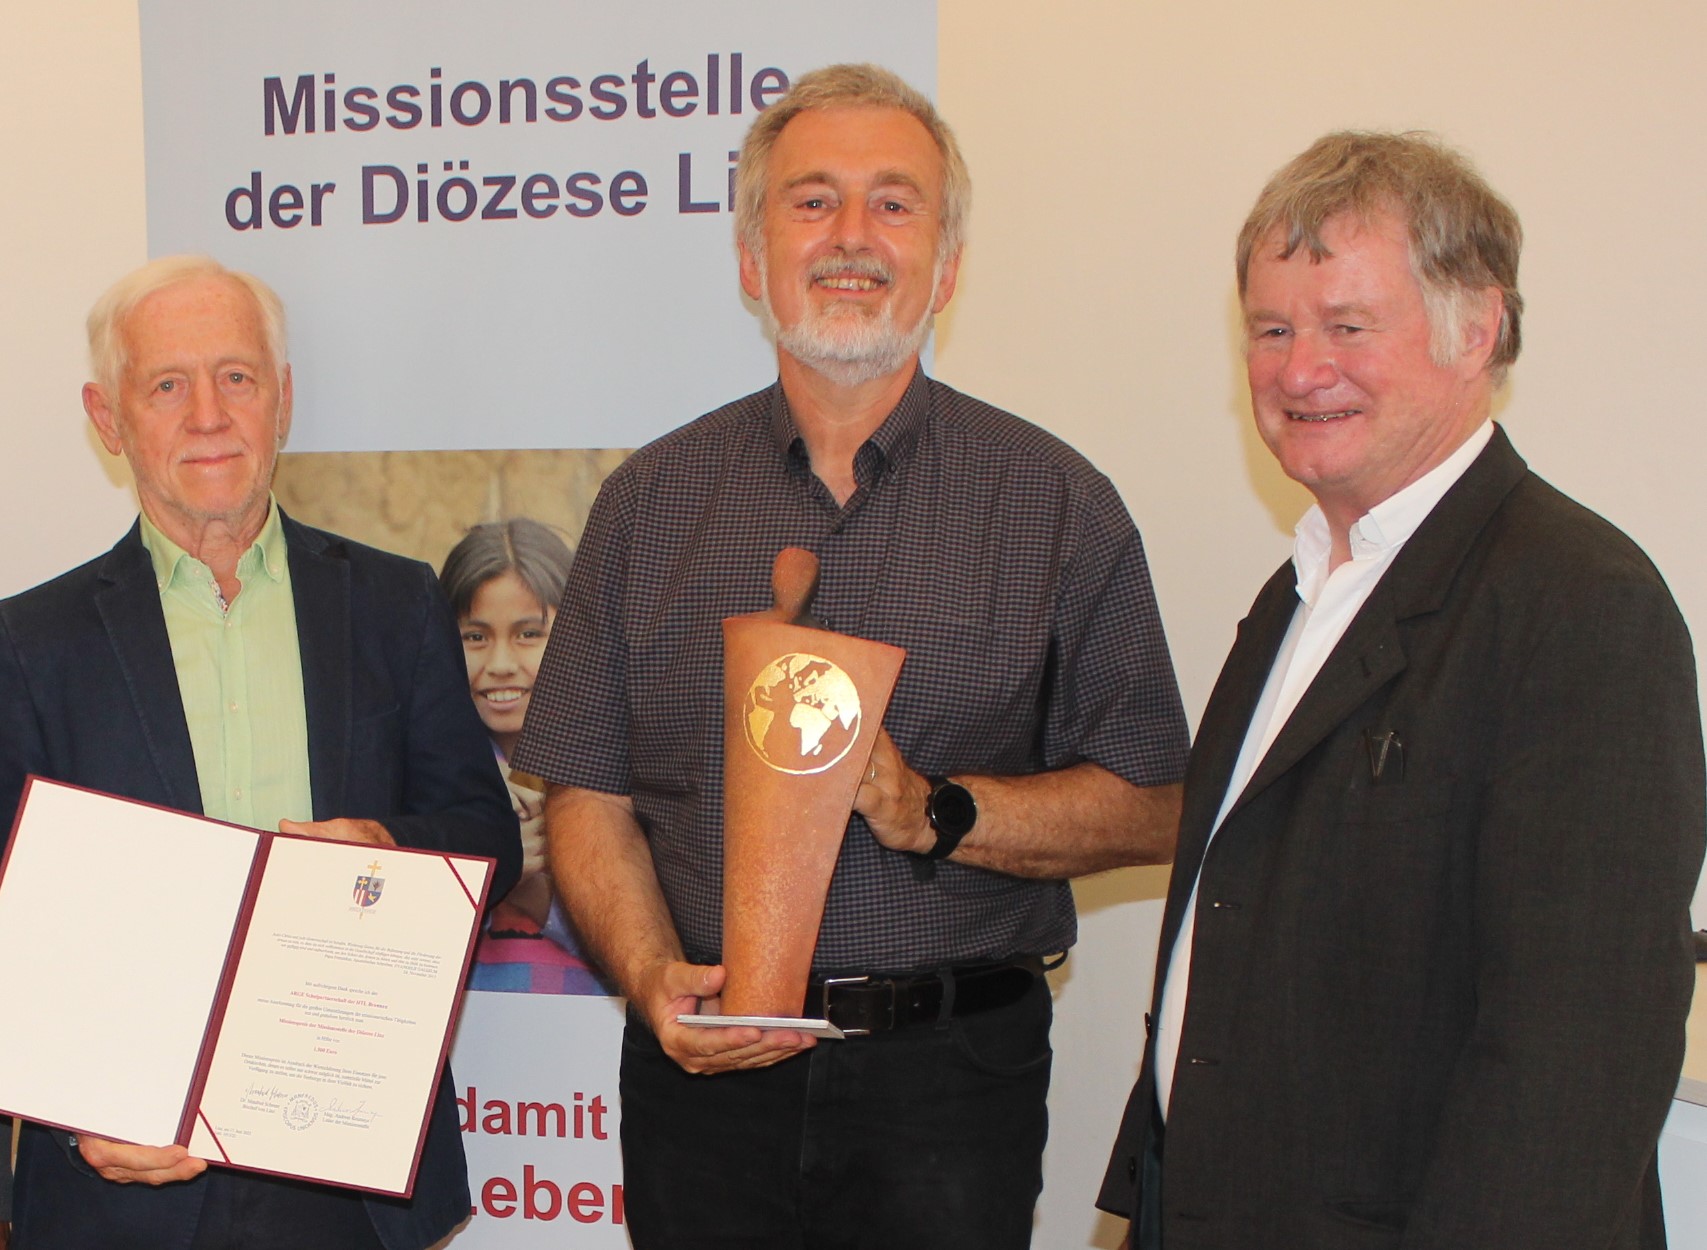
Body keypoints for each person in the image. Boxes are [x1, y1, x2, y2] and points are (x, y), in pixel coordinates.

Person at [513, 63, 1191, 1248]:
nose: (851, 237)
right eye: (813, 200)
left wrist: (938, 809)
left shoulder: (1056, 505)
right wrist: (650, 971)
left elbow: (1155, 803)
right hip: (701, 1080)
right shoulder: (646, 505)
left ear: (949, 263)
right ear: (751, 257)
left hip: (949, 1084)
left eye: (894, 202)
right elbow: (586, 789)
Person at [1100, 131, 1706, 1249]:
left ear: (1476, 330)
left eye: (1347, 326)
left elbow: (1576, 1063)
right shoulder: (1298, 594)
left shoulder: (1582, 607)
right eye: (1272, 330)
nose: (1299, 371)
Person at [0, 255, 521, 1249]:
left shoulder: (394, 602)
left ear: (283, 399)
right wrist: (72, 1114)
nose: (208, 415)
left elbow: (488, 837)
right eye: (167, 384)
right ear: (108, 418)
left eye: (236, 377)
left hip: (347, 1175)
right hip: (125, 1183)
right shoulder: (29, 643)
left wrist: (386, 850)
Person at [439, 518, 611, 994]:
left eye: (529, 634)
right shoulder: (428, 781)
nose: (500, 664)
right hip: (467, 1029)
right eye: (475, 637)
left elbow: (643, 952)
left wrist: (537, 887)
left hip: (588, 1025)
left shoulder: (616, 775)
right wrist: (490, 864)